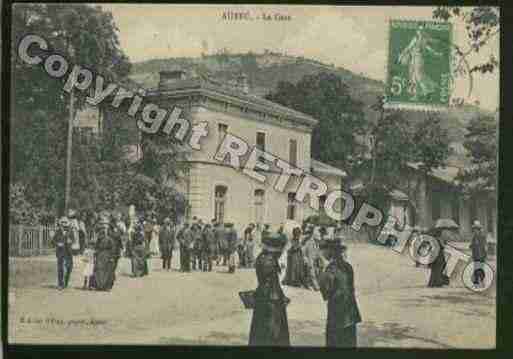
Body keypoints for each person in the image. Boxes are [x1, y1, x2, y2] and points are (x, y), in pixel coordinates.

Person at [318, 239, 362, 348]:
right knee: (349, 343)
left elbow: (326, 294)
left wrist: (320, 272)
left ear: (330, 252)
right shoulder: (348, 267)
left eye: (324, 250)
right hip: (350, 313)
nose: (322, 253)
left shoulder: (330, 269)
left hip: (337, 314)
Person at [249, 233, 290, 346]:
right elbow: (268, 282)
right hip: (270, 302)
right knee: (271, 333)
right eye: (280, 249)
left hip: (268, 298)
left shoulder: (266, 258)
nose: (281, 253)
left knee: (262, 332)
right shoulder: (268, 260)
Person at [94, 215, 117, 291]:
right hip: (100, 255)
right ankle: (99, 285)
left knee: (108, 270)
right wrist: (95, 253)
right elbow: (96, 245)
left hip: (108, 254)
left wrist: (112, 257)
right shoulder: (99, 235)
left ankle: (107, 286)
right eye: (103, 225)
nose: (104, 227)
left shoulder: (112, 233)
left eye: (106, 225)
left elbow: (113, 247)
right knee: (99, 270)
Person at [53, 217, 74, 290]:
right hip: (60, 252)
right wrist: (58, 244)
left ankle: (66, 282)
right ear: (60, 223)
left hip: (68, 252)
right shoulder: (58, 231)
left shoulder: (70, 231)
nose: (64, 224)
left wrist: (70, 241)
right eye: (62, 222)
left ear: (67, 223)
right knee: (60, 268)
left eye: (65, 222)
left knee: (69, 268)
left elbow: (73, 239)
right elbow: (53, 241)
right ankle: (60, 284)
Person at [469, 220, 487, 287]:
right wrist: (471, 246)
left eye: (476, 229)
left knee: (481, 269)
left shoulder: (482, 236)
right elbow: (472, 245)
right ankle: (476, 283)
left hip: (481, 255)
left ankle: (481, 282)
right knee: (476, 269)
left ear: (479, 230)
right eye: (474, 229)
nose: (475, 231)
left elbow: (484, 246)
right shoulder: (474, 237)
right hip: (476, 255)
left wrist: (484, 254)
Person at [302, 225, 320, 291]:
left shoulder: (317, 244)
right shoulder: (309, 243)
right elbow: (303, 252)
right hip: (309, 260)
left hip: (314, 260)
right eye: (317, 239)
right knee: (311, 273)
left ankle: (311, 284)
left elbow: (317, 253)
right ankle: (315, 287)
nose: (318, 240)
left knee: (314, 273)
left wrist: (318, 259)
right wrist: (305, 259)